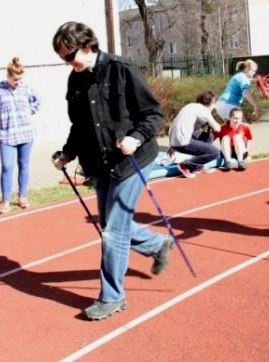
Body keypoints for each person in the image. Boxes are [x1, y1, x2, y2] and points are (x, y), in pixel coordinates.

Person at [50, 21, 173, 321]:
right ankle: (158, 244)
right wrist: (67, 153)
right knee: (112, 227)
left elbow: (153, 113)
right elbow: (79, 126)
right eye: (63, 58)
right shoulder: (75, 81)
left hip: (131, 160)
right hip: (100, 162)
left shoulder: (121, 69)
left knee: (112, 233)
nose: (68, 63)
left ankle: (111, 297)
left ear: (88, 46)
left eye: (70, 56)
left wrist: (136, 137)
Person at [0, 57, 40, 212]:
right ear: (8, 76)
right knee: (7, 166)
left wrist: (30, 111)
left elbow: (37, 101)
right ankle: (5, 200)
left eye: (20, 79)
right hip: (7, 134)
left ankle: (22, 196)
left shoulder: (26, 88)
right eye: (15, 79)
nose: (17, 82)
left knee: (24, 165)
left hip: (25, 132)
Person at [167, 90, 221, 178]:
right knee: (215, 152)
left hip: (175, 140)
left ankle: (197, 166)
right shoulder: (203, 110)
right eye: (214, 103)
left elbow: (178, 124)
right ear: (211, 103)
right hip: (182, 142)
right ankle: (186, 165)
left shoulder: (190, 106)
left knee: (209, 137)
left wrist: (171, 145)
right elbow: (217, 129)